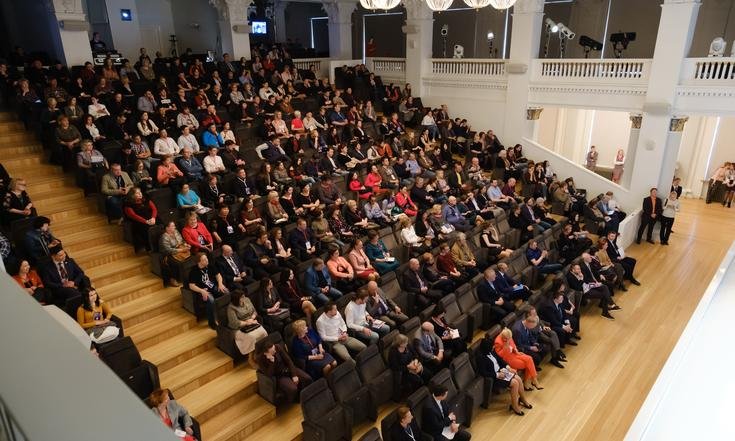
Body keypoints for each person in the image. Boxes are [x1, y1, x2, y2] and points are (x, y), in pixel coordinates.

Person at [475, 334, 532, 414]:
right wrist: (497, 375)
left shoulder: (492, 351)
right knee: (515, 383)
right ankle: (515, 406)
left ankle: (523, 399)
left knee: (518, 379)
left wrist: (508, 367)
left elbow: (500, 359)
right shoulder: (481, 358)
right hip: (495, 377)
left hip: (501, 371)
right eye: (492, 346)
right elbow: (483, 372)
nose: (493, 347)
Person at [188, 252, 228, 329]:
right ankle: (212, 323)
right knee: (211, 300)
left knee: (226, 292)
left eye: (206, 258)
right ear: (199, 262)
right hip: (203, 291)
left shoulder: (210, 266)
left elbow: (218, 275)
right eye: (204, 260)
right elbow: (191, 286)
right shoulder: (193, 271)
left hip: (213, 286)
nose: (207, 260)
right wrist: (201, 291)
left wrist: (220, 284)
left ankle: (226, 315)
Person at [226, 289, 268, 355]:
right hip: (239, 328)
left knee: (264, 333)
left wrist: (252, 318)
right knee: (252, 338)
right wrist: (248, 322)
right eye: (242, 297)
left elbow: (254, 311)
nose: (244, 298)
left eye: (244, 296)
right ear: (236, 299)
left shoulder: (247, 300)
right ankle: (252, 356)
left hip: (252, 322)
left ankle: (263, 353)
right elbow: (235, 323)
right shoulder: (231, 308)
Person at [124, 187, 157, 253]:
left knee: (161, 225)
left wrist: (153, 218)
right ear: (132, 195)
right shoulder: (128, 205)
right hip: (139, 221)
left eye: (140, 192)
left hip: (151, 218)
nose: (140, 194)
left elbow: (154, 209)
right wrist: (146, 221)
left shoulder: (146, 199)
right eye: (137, 193)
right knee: (146, 229)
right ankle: (150, 248)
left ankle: (159, 246)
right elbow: (133, 216)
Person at [158, 221, 189, 287]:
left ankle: (186, 276)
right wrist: (181, 250)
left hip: (179, 250)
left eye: (174, 226)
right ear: (167, 228)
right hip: (168, 254)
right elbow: (168, 250)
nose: (174, 227)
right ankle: (173, 279)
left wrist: (186, 244)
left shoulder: (176, 232)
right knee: (176, 263)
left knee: (190, 258)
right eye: (172, 226)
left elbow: (181, 240)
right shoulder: (164, 237)